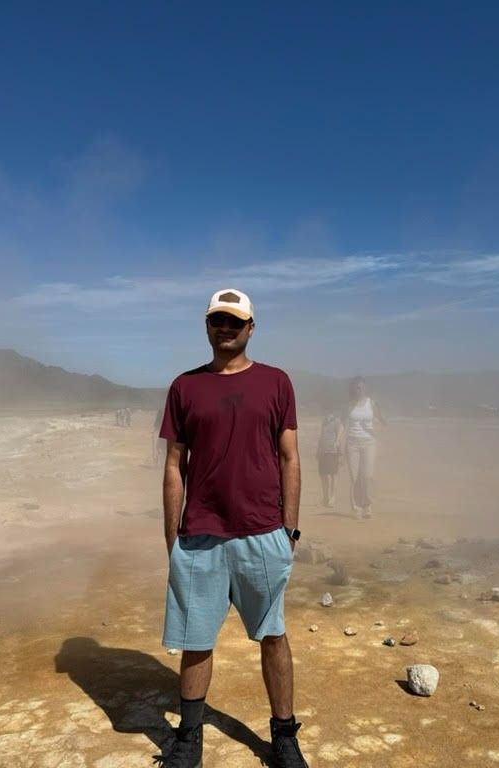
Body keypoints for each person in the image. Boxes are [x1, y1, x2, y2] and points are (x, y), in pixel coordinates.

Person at [158, 288, 308, 768]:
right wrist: (171, 537)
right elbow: (174, 464)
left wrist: (289, 530)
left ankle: (284, 737)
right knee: (195, 639)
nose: (225, 328)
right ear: (207, 326)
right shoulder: (185, 387)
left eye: (234, 321)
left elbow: (289, 457)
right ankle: (188, 741)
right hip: (199, 536)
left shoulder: (276, 382)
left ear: (250, 328)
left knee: (273, 635)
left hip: (262, 533)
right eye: (217, 320)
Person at [344, 376, 385, 520]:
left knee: (367, 475)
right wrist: (339, 442)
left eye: (361, 387)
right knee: (354, 476)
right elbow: (343, 423)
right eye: (356, 387)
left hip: (369, 442)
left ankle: (367, 504)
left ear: (365, 388)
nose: (359, 389)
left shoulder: (372, 403)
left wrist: (374, 430)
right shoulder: (349, 405)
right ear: (353, 389)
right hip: (352, 443)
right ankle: (357, 507)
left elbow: (382, 422)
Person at [316, 410, 344, 507]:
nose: (327, 414)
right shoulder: (324, 421)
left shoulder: (336, 421)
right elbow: (321, 436)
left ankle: (333, 497)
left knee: (333, 475)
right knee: (323, 475)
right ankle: (325, 497)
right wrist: (318, 450)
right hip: (323, 451)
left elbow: (341, 429)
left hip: (332, 452)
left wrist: (337, 442)